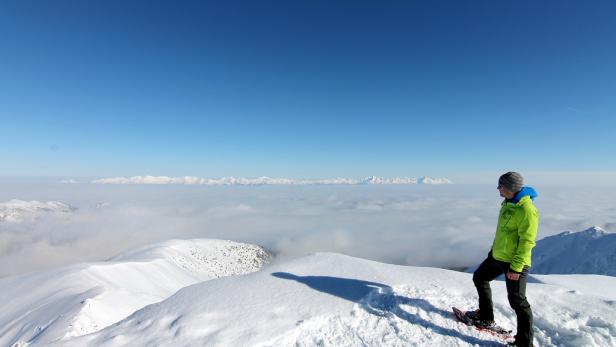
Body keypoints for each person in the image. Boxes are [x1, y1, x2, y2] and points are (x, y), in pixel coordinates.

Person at [468, 171, 539, 347]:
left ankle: (524, 343)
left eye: (501, 185)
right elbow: (504, 233)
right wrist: (494, 251)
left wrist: (516, 268)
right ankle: (486, 317)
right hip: (498, 256)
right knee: (480, 277)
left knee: (518, 302)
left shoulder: (526, 209)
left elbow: (527, 241)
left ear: (511, 188)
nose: (498, 188)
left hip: (515, 262)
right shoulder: (508, 203)